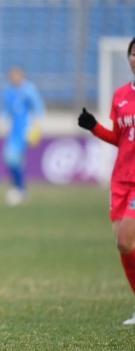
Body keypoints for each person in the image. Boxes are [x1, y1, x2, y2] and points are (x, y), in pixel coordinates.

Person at [78, 37, 135, 325]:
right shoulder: (120, 95)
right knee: (122, 245)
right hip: (121, 179)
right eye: (134, 53)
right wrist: (94, 127)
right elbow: (119, 138)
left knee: (126, 239)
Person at [0, 65, 45, 206]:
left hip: (24, 131)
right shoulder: (7, 91)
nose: (14, 77)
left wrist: (36, 128)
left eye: (16, 74)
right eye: (12, 75)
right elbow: (3, 110)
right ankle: (19, 188)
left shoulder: (28, 90)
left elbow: (38, 108)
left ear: (22, 75)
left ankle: (19, 189)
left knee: (12, 158)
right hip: (12, 131)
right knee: (11, 160)